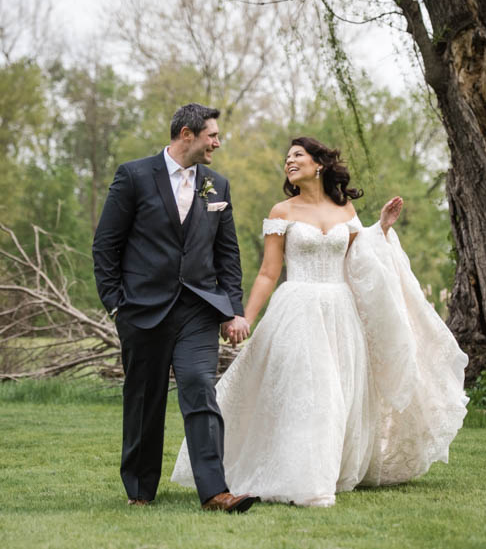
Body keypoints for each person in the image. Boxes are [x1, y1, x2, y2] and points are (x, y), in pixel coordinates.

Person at [171, 137, 469, 506]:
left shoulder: (346, 212)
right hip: (297, 309)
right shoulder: (281, 212)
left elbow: (362, 261)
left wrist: (382, 229)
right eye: (287, 158)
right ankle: (307, 483)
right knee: (311, 392)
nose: (289, 162)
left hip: (340, 313)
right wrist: (243, 316)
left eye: (298, 156)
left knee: (337, 392)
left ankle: (326, 470)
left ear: (319, 164)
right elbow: (268, 272)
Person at [92, 103, 256, 513]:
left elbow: (228, 256)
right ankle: (140, 490)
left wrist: (233, 309)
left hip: (198, 309)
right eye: (211, 135)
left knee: (201, 386)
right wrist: (115, 304)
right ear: (187, 134)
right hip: (142, 310)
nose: (217, 142)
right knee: (144, 398)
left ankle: (215, 492)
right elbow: (105, 245)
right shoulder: (133, 176)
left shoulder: (217, 185)